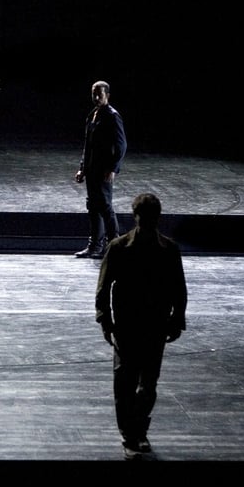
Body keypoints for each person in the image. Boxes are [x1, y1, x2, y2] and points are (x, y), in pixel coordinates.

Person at [94, 192, 188, 460]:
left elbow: (177, 287)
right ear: (137, 217)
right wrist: (106, 320)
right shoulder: (120, 248)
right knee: (127, 384)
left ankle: (137, 432)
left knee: (146, 384)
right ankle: (131, 434)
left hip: (153, 324)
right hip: (128, 325)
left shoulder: (167, 249)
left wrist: (176, 319)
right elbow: (103, 288)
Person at [74, 80, 127, 258]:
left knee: (105, 206)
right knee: (93, 206)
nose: (96, 97)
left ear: (107, 96)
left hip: (104, 169)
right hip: (92, 169)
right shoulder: (92, 115)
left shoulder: (112, 116)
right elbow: (87, 146)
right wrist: (82, 169)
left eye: (100, 94)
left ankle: (114, 246)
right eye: (94, 94)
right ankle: (95, 246)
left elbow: (121, 145)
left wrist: (113, 168)